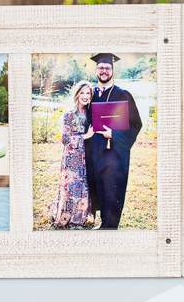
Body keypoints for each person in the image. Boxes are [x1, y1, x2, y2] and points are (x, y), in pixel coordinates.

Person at [82, 53, 142, 229]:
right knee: (96, 187)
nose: (104, 71)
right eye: (101, 68)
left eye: (107, 68)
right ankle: (100, 222)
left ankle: (109, 227)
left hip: (113, 153)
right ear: (96, 70)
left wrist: (114, 135)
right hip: (93, 152)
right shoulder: (90, 94)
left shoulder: (123, 95)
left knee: (111, 189)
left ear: (112, 71)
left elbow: (136, 124)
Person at [48, 81, 96, 228]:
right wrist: (85, 136)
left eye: (88, 93)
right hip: (72, 158)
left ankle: (79, 219)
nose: (85, 96)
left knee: (83, 187)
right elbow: (65, 139)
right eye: (82, 93)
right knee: (71, 188)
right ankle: (65, 217)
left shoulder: (91, 113)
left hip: (86, 156)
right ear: (77, 94)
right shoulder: (69, 114)